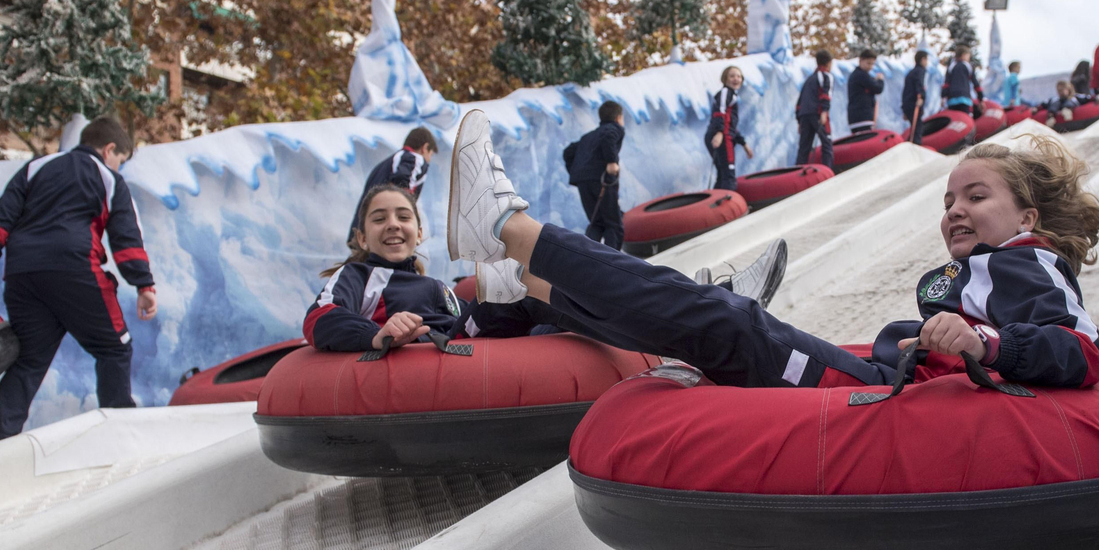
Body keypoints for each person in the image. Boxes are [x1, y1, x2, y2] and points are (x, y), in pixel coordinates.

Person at [441, 109, 1099, 392]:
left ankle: (507, 229)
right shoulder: (985, 269)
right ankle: (529, 286)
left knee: (725, 324)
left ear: (1027, 214)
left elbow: (1078, 353)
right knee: (711, 324)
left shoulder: (1032, 260)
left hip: (884, 398)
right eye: (948, 201)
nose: (956, 210)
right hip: (890, 382)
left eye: (976, 197)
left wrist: (983, 345)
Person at [306, 184, 786, 351]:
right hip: (443, 349)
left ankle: (705, 306)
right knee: (527, 279)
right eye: (379, 218)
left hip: (473, 340)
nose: (393, 225)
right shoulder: (359, 277)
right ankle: (709, 306)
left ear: (420, 231)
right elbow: (320, 319)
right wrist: (378, 333)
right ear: (359, 237)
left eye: (403, 216)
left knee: (564, 296)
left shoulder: (431, 282)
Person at [0, 117, 158, 443]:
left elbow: (2, 213)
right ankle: (122, 438)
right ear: (109, 149)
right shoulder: (108, 178)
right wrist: (144, 285)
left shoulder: (35, 167)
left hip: (23, 274)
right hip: (76, 270)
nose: (119, 167)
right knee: (115, 349)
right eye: (120, 161)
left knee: (28, 360)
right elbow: (126, 237)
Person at [347, 126, 436, 246]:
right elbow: (401, 187)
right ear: (425, 148)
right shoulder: (414, 158)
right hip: (381, 236)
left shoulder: (387, 164)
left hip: (362, 234)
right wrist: (411, 216)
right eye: (430, 154)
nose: (429, 160)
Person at [565, 100, 625, 249]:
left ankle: (588, 257)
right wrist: (611, 162)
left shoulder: (588, 136)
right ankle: (613, 264)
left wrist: (577, 171)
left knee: (596, 223)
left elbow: (568, 152)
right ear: (618, 118)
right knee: (613, 224)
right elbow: (609, 138)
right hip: (601, 180)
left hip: (583, 182)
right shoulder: (614, 128)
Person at [705, 66, 749, 190]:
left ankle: (716, 199)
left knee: (722, 171)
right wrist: (719, 133)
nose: (736, 79)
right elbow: (720, 112)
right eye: (732, 76)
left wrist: (744, 144)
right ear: (725, 78)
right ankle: (727, 201)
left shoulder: (733, 96)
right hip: (722, 137)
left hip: (723, 135)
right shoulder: (726, 92)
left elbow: (731, 125)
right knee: (729, 173)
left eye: (739, 76)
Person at [795, 49, 835, 169]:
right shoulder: (826, 76)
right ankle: (828, 170)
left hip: (804, 115)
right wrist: (824, 111)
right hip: (817, 113)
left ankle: (799, 171)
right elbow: (825, 94)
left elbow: (799, 101)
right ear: (828, 63)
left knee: (804, 147)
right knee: (826, 142)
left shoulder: (809, 79)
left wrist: (799, 120)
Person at [847, 49, 884, 134]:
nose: (870, 66)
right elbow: (877, 88)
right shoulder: (861, 75)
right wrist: (880, 80)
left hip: (857, 117)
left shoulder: (857, 75)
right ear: (860, 60)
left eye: (872, 64)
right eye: (868, 63)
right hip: (863, 117)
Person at [902, 50, 930, 143]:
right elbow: (919, 84)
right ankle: (916, 147)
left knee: (914, 128)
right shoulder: (920, 71)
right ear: (922, 59)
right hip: (914, 103)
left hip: (908, 103)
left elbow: (905, 91)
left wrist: (904, 107)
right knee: (917, 129)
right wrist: (921, 97)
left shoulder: (911, 72)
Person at [943, 45, 977, 115]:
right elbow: (975, 83)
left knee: (954, 119)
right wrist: (981, 98)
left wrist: (943, 96)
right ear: (963, 55)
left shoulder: (951, 67)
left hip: (952, 99)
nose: (969, 58)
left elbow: (946, 84)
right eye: (968, 55)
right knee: (965, 119)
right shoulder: (968, 66)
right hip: (965, 99)